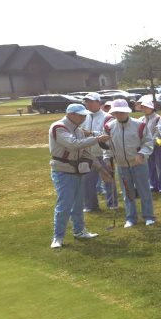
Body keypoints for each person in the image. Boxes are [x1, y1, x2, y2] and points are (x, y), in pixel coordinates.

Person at [48, 103, 111, 248]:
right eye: (80, 115)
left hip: (77, 170)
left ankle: (79, 231)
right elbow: (73, 144)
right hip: (63, 171)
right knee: (64, 204)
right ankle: (58, 237)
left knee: (77, 204)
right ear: (70, 114)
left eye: (84, 115)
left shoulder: (78, 130)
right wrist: (97, 139)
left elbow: (86, 153)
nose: (83, 118)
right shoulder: (58, 127)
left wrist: (101, 170)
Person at [103, 99, 156, 227]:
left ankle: (149, 216)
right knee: (128, 193)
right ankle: (131, 218)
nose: (119, 114)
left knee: (144, 191)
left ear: (127, 112)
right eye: (116, 112)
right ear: (113, 113)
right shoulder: (109, 127)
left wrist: (142, 154)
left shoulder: (140, 125)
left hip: (139, 164)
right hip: (122, 165)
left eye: (122, 112)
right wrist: (107, 159)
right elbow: (107, 146)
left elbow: (148, 142)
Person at [80, 93, 118, 212]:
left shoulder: (108, 117)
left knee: (108, 179)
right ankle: (90, 205)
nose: (88, 104)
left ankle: (112, 203)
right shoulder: (83, 117)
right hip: (88, 154)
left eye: (91, 101)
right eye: (87, 101)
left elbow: (108, 135)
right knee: (87, 182)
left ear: (98, 102)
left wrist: (90, 133)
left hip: (104, 153)